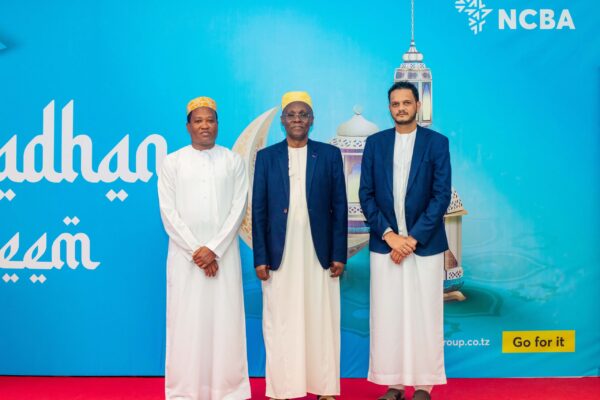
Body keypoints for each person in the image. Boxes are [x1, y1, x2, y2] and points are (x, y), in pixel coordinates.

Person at [252, 91, 348, 400]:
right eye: (291, 114)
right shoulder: (267, 157)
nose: (297, 119)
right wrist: (260, 257)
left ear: (312, 120)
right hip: (280, 252)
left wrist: (339, 254)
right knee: (280, 319)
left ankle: (325, 389)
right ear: (282, 120)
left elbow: (340, 208)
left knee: (322, 318)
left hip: (319, 252)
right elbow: (258, 211)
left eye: (303, 114)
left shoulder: (329, 155)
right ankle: (282, 388)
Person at [359, 82, 451, 400]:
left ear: (417, 106)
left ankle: (424, 384)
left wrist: (411, 240)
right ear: (389, 108)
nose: (401, 108)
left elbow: (441, 196)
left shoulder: (436, 143)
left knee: (425, 314)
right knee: (387, 315)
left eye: (406, 103)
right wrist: (390, 236)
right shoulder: (375, 143)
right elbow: (366, 194)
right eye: (395, 103)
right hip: (385, 244)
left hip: (424, 245)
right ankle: (394, 384)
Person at [158, 96, 251, 400]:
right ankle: (184, 391)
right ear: (188, 126)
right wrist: (196, 251)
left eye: (210, 120)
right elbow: (168, 212)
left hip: (224, 256)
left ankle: (229, 390)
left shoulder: (233, 161)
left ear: (218, 125)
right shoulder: (172, 162)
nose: (205, 126)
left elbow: (239, 207)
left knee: (226, 321)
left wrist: (214, 249)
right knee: (185, 322)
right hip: (185, 259)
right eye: (198, 121)